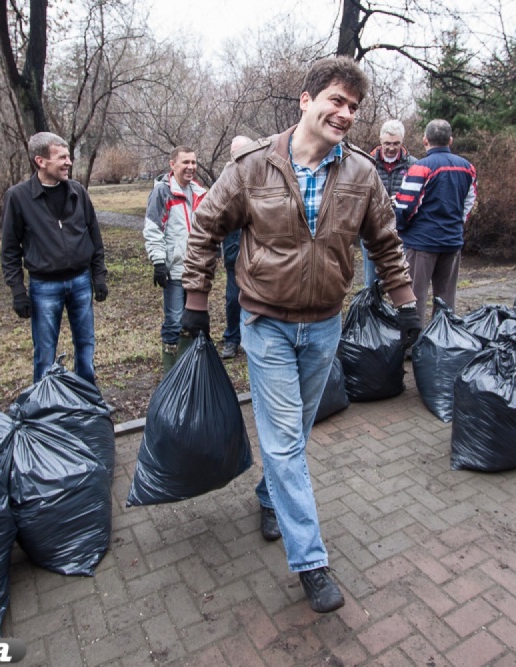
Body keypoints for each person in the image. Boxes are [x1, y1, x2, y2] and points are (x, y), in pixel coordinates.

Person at [180, 57, 421, 614]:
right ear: (306, 100)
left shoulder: (360, 174)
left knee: (297, 433)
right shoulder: (252, 165)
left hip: (324, 326)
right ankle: (311, 561)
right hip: (264, 325)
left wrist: (408, 306)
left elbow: (385, 244)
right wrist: (196, 302)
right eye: (336, 101)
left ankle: (270, 496)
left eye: (354, 108)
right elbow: (205, 228)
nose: (345, 114)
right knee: (286, 442)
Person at [0, 131, 108, 386]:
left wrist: (99, 275)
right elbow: (10, 250)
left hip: (80, 282)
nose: (69, 162)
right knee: (45, 353)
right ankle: (44, 407)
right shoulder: (19, 197)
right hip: (44, 287)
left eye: (68, 156)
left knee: (85, 345)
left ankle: (88, 398)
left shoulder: (77, 192)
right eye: (62, 157)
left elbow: (94, 235)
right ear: (41, 161)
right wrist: (18, 291)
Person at [395, 119, 477, 325]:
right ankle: (444, 343)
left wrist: (403, 230)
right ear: (450, 140)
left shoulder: (420, 168)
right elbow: (469, 201)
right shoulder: (468, 168)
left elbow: (404, 206)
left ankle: (412, 347)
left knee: (415, 297)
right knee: (446, 298)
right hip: (452, 242)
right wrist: (457, 225)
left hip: (421, 243)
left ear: (425, 140)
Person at [143, 146, 206, 370]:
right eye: (185, 162)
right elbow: (153, 228)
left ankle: (188, 371)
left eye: (194, 162)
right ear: (172, 165)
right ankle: (172, 375)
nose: (190, 167)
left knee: (194, 322)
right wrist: (159, 262)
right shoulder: (163, 192)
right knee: (174, 322)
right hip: (175, 270)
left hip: (197, 271)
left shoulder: (200, 192)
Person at [362, 119, 417, 287]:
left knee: (400, 280)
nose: (391, 148)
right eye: (387, 143)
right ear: (380, 140)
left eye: (396, 143)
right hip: (373, 228)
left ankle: (397, 312)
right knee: (371, 281)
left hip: (402, 230)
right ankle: (371, 311)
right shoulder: (366, 163)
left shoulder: (413, 164)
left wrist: (401, 200)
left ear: (402, 141)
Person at [220, 135, 253, 360]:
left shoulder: (261, 173)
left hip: (257, 247)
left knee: (256, 298)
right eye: (236, 152)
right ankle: (232, 338)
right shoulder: (224, 179)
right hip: (233, 246)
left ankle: (251, 339)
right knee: (234, 298)